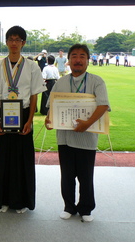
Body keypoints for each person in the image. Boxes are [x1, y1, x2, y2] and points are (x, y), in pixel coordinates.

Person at [45, 44, 110, 222]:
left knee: (85, 176)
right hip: (65, 138)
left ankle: (86, 208)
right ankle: (69, 206)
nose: (78, 60)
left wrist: (88, 123)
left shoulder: (97, 81)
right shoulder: (61, 82)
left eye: (82, 56)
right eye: (74, 56)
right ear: (69, 61)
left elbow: (103, 105)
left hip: (87, 138)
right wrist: (49, 120)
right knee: (67, 175)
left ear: (88, 60)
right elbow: (51, 108)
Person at [0, 26, 46, 213]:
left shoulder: (32, 66)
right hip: (3, 115)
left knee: (22, 160)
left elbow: (35, 94)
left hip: (24, 114)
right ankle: (2, 200)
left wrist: (30, 121)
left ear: (23, 43)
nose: (14, 43)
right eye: (11, 39)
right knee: (2, 159)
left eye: (18, 40)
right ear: (6, 42)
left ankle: (20, 201)